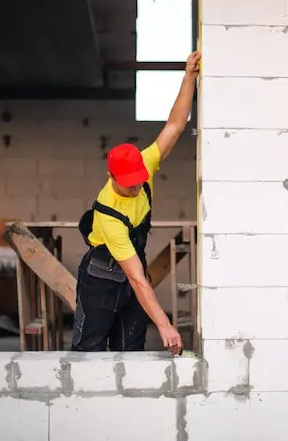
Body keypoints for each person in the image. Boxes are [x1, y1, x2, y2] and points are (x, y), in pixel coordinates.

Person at [72, 50, 200, 356]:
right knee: (88, 354)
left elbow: (174, 127)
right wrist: (166, 325)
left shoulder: (144, 164)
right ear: (111, 176)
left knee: (132, 350)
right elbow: (136, 279)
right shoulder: (109, 215)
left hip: (133, 274)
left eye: (138, 181)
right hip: (101, 279)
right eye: (128, 184)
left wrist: (189, 77)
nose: (135, 188)